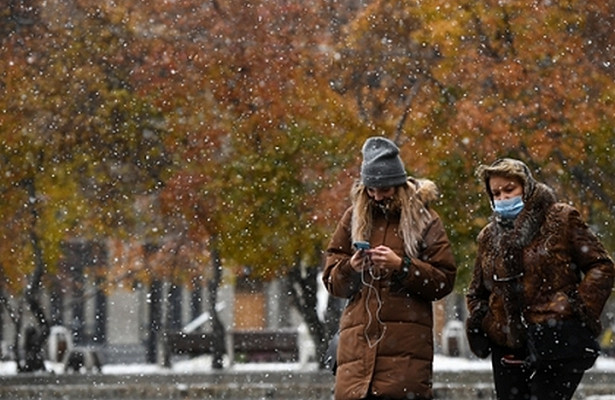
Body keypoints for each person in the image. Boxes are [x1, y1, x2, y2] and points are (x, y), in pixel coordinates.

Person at [466, 158, 615, 400]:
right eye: (496, 193)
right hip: (507, 348)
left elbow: (601, 266)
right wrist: (488, 321)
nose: (503, 197)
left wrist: (574, 306)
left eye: (509, 189)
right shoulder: (488, 236)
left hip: (555, 339)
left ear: (526, 186)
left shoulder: (561, 219)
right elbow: (477, 291)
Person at [322, 136, 457, 400]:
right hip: (356, 353)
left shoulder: (424, 219)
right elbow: (332, 280)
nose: (377, 196)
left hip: (405, 353)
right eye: (371, 189)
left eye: (384, 189)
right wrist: (351, 267)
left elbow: (444, 280)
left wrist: (402, 266)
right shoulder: (353, 216)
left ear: (399, 183)